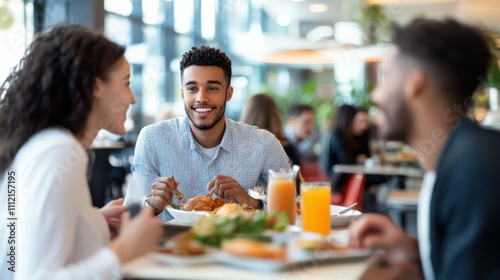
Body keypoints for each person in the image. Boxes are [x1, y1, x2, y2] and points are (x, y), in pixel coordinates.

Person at [0, 24, 163, 279]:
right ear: (95, 86)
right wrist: (125, 249)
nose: (132, 98)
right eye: (126, 83)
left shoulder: (50, 146)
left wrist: (93, 222)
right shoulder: (58, 150)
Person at [348, 18, 500, 280]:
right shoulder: (451, 161)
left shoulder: (475, 167)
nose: (376, 95)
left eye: (386, 77)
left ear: (415, 84)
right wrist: (417, 251)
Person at [127, 46, 290, 221]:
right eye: (192, 89)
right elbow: (129, 215)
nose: (201, 98)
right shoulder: (152, 139)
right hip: (169, 246)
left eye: (212, 88)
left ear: (228, 93)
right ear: (182, 94)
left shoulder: (264, 144)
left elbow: (294, 206)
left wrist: (252, 203)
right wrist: (152, 205)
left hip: (238, 245)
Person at [240, 93, 301, 167]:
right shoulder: (284, 146)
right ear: (275, 113)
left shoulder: (238, 146)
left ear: (247, 113)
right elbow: (296, 173)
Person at [320, 104, 371, 179]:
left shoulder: (354, 136)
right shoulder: (334, 134)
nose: (363, 126)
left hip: (347, 174)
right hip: (335, 177)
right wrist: (358, 159)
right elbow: (345, 159)